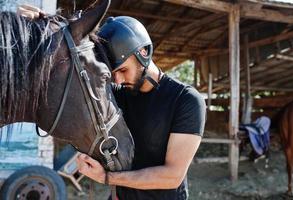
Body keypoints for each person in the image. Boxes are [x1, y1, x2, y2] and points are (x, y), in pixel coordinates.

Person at [18, 6, 206, 200]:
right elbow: (75, 57)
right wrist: (45, 26)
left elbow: (172, 176)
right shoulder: (116, 93)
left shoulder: (186, 100)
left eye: (123, 70)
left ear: (143, 52)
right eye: (113, 73)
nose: (117, 81)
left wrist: (108, 177)